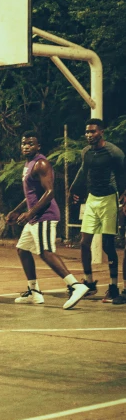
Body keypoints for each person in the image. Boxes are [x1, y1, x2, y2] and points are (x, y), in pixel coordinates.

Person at [6, 133, 88, 309]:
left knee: (45, 251)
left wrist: (29, 214)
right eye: (23, 143)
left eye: (30, 144)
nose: (26, 146)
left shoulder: (41, 164)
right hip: (34, 216)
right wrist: (16, 211)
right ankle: (34, 292)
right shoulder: (27, 164)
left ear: (38, 147)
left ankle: (76, 285)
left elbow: (49, 193)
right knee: (22, 249)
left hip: (45, 215)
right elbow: (31, 196)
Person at [70, 119, 126, 302]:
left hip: (109, 199)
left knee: (108, 245)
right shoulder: (86, 152)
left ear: (101, 132)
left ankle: (113, 286)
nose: (89, 135)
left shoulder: (114, 152)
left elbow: (122, 174)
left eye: (92, 131)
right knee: (84, 242)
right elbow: (82, 171)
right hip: (92, 200)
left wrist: (124, 195)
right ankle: (88, 283)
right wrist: (74, 189)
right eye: (87, 132)